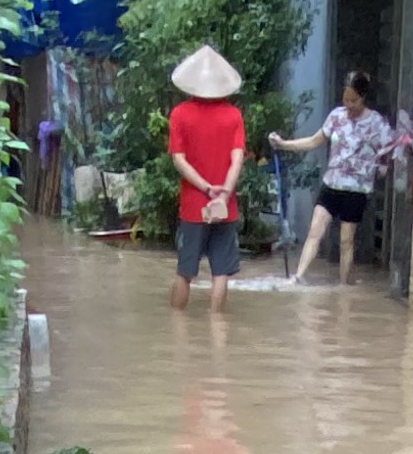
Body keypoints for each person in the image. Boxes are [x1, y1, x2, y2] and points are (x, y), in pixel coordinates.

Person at [271, 73, 397, 287]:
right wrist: (283, 144)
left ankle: (344, 286)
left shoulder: (376, 123)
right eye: (345, 99)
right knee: (315, 230)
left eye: (353, 100)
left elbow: (392, 149)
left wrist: (383, 167)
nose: (348, 105)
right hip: (331, 185)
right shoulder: (336, 116)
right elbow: (313, 141)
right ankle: (298, 276)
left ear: (363, 97)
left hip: (356, 190)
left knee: (346, 240)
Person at [165, 44, 247, 313]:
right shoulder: (234, 115)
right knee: (220, 272)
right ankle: (217, 330)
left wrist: (204, 188)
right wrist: (224, 192)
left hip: (193, 205)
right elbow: (237, 159)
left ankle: (176, 328)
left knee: (185, 270)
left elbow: (179, 159)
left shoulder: (179, 114)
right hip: (226, 205)